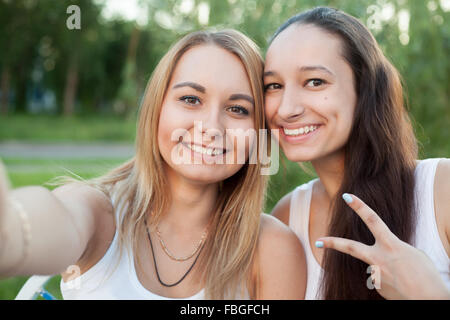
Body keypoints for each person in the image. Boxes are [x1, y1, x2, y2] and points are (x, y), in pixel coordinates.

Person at [0, 29, 306, 300]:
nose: (212, 127)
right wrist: (13, 233)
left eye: (238, 109)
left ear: (259, 133)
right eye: (190, 99)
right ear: (156, 108)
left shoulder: (272, 249)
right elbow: (56, 220)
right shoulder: (100, 214)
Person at [264, 7, 450, 300]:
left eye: (315, 81)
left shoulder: (441, 189)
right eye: (273, 86)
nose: (287, 109)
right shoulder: (288, 217)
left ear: (364, 89)